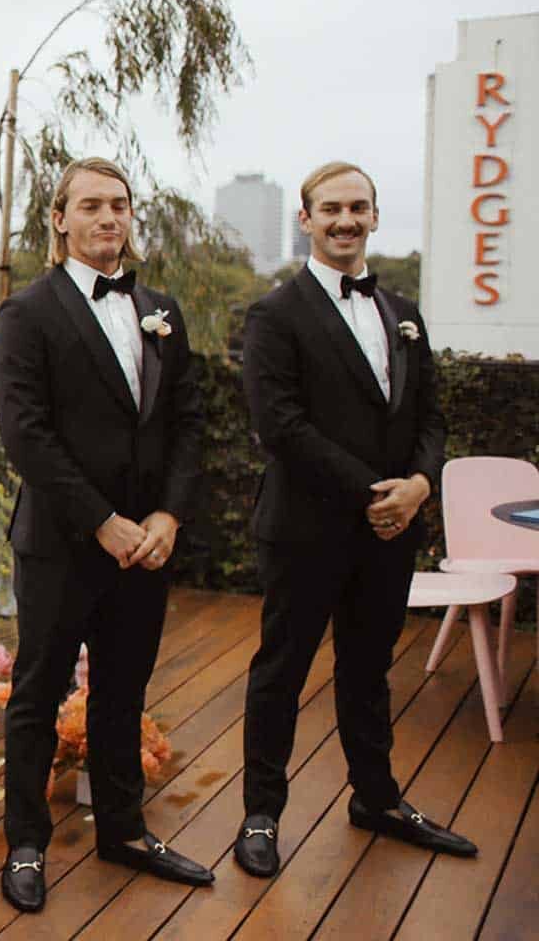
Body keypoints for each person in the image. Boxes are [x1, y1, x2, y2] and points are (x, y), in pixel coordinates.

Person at [233, 161, 471, 878]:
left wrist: (422, 484)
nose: (345, 220)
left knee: (369, 673)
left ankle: (376, 798)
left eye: (358, 207)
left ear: (374, 216)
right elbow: (281, 427)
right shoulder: (275, 315)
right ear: (305, 219)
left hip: (391, 534)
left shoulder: (405, 312)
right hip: (308, 530)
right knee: (281, 672)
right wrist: (379, 492)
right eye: (330, 208)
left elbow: (429, 413)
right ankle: (261, 814)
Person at [0, 156, 212, 913]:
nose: (109, 218)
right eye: (91, 206)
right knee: (37, 694)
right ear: (60, 218)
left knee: (124, 694)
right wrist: (101, 521)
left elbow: (188, 423)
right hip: (62, 544)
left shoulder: (162, 310)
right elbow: (25, 432)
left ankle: (124, 829)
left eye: (119, 205)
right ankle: (25, 842)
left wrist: (167, 516)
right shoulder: (28, 312)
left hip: (145, 546)